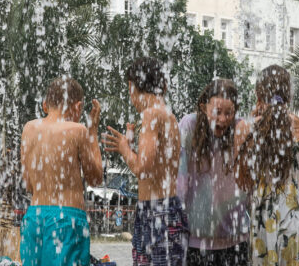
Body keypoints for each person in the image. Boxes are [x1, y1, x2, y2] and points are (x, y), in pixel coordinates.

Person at [237, 65, 299, 266]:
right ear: (290, 95)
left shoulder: (247, 128)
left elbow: (243, 182)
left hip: (273, 220)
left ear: (258, 93)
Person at [102, 57, 188, 266]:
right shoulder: (167, 115)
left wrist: (124, 149)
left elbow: (142, 169)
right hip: (164, 208)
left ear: (132, 85)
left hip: (157, 211)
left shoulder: (151, 114)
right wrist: (129, 145)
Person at [20, 77, 103, 266]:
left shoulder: (29, 129)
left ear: (45, 104)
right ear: (78, 106)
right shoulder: (78, 130)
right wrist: (93, 131)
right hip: (67, 221)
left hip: (34, 218)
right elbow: (96, 179)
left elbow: (28, 183)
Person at [176, 79, 250, 266]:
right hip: (196, 241)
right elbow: (180, 181)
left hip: (236, 240)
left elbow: (250, 181)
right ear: (203, 107)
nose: (223, 119)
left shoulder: (240, 129)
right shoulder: (189, 126)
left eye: (229, 113)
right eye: (217, 112)